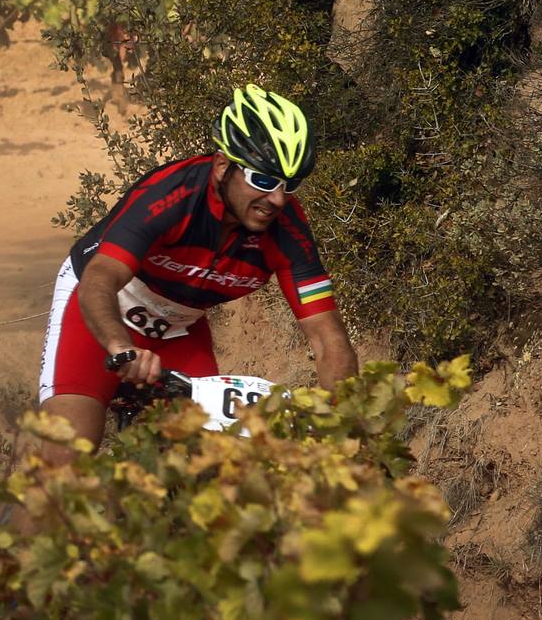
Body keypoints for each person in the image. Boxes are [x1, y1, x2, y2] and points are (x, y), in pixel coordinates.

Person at [36, 83, 356, 460]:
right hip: (99, 312)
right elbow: (100, 279)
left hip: (178, 329)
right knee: (63, 466)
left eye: (290, 184)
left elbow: (327, 339)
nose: (278, 199)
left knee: (215, 464)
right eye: (264, 181)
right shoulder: (171, 196)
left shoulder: (288, 231)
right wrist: (121, 347)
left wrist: (344, 430)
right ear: (223, 167)